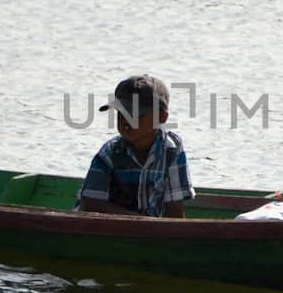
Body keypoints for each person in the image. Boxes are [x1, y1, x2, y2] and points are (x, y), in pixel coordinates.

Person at [76, 74, 194, 218]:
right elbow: (89, 204)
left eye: (135, 114)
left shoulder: (172, 152)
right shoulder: (110, 152)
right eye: (121, 113)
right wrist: (140, 221)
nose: (126, 121)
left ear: (161, 117)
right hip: (106, 228)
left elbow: (175, 212)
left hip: (151, 232)